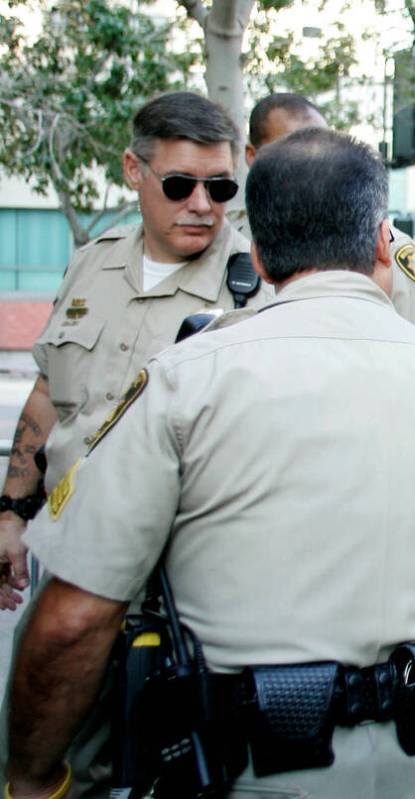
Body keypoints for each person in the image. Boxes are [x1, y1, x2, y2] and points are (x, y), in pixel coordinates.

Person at [4, 127, 415, 799]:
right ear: (382, 242)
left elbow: (72, 619)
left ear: (259, 258)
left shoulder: (185, 381)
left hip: (242, 770)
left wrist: (32, 774)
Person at [0, 91, 273, 609]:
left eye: (219, 188)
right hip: (61, 548)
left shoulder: (257, 284)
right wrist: (11, 513)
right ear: (133, 170)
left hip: (177, 580)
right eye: (179, 185)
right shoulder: (91, 263)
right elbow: (46, 394)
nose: (201, 204)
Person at [230, 92, 415, 345]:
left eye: (322, 147)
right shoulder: (233, 244)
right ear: (252, 156)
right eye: (293, 150)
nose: (311, 162)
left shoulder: (385, 244)